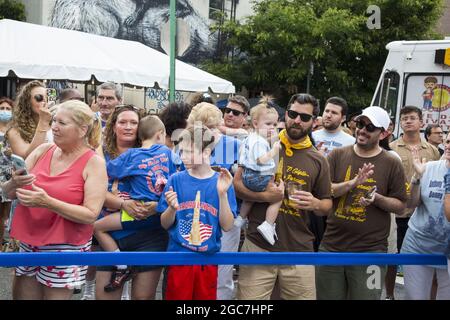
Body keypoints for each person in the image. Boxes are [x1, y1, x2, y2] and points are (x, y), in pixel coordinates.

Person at [2, 100, 107, 300]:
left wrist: (47, 202)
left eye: (62, 123)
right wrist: (14, 182)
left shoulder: (94, 163)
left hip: (65, 246)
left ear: (82, 129)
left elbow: (90, 215)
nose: (54, 127)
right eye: (54, 121)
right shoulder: (43, 150)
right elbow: (8, 194)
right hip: (29, 241)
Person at [235, 93, 332, 300]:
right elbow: (236, 185)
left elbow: (327, 205)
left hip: (299, 250)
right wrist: (264, 196)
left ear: (314, 122)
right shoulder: (261, 143)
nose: (297, 120)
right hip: (258, 246)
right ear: (285, 115)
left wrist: (315, 203)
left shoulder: (318, 159)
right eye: (292, 114)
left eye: (304, 117)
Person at [316, 106, 407, 300]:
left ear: (383, 133)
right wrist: (352, 183)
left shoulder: (392, 162)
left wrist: (378, 199)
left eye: (370, 127)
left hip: (371, 252)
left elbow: (401, 205)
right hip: (332, 245)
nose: (362, 130)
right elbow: (324, 192)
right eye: (360, 123)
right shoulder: (337, 155)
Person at [94, 115, 176, 292]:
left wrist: (98, 148)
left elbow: (106, 169)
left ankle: (121, 265)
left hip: (135, 213)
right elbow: (174, 181)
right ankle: (121, 265)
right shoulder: (167, 153)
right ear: (160, 134)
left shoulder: (132, 155)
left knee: (97, 227)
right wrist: (160, 206)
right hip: (156, 214)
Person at [157, 126, 237, 300]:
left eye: (189, 151)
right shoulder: (175, 179)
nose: (183, 156)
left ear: (207, 152)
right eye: (182, 151)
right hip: (178, 259)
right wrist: (171, 208)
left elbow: (227, 225)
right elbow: (164, 223)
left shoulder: (222, 181)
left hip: (207, 260)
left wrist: (222, 195)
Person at [186, 102, 241, 300]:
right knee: (190, 271)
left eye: (211, 127)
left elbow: (243, 179)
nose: (206, 132)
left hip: (224, 212)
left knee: (223, 272)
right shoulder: (186, 144)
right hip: (192, 214)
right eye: (201, 127)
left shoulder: (233, 145)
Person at [390, 106, 441, 283]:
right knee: (395, 256)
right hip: (400, 212)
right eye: (404, 119)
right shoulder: (392, 148)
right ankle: (390, 294)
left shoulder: (433, 150)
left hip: (426, 213)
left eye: (412, 118)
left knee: (429, 263)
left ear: (421, 122)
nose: (408, 121)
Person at [400, 132, 450, 299]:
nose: (449, 146)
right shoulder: (429, 167)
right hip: (418, 244)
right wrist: (417, 177)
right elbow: (411, 203)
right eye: (448, 141)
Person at [234, 102, 281, 246]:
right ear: (255, 123)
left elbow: (242, 158)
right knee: (278, 196)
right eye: (268, 124)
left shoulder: (249, 138)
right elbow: (261, 160)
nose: (272, 128)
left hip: (247, 175)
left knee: (250, 197)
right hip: (259, 176)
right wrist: (274, 150)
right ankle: (268, 223)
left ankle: (241, 218)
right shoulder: (260, 142)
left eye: (274, 124)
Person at [5, 80, 53, 159]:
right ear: (27, 102)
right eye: (39, 97)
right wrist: (43, 121)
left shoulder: (55, 125)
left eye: (47, 97)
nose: (44, 101)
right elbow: (27, 157)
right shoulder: (15, 131)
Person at [0, 97, 14, 248]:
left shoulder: (14, 131)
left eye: (7, 109)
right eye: (2, 108)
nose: (4, 112)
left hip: (10, 175)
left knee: (6, 213)